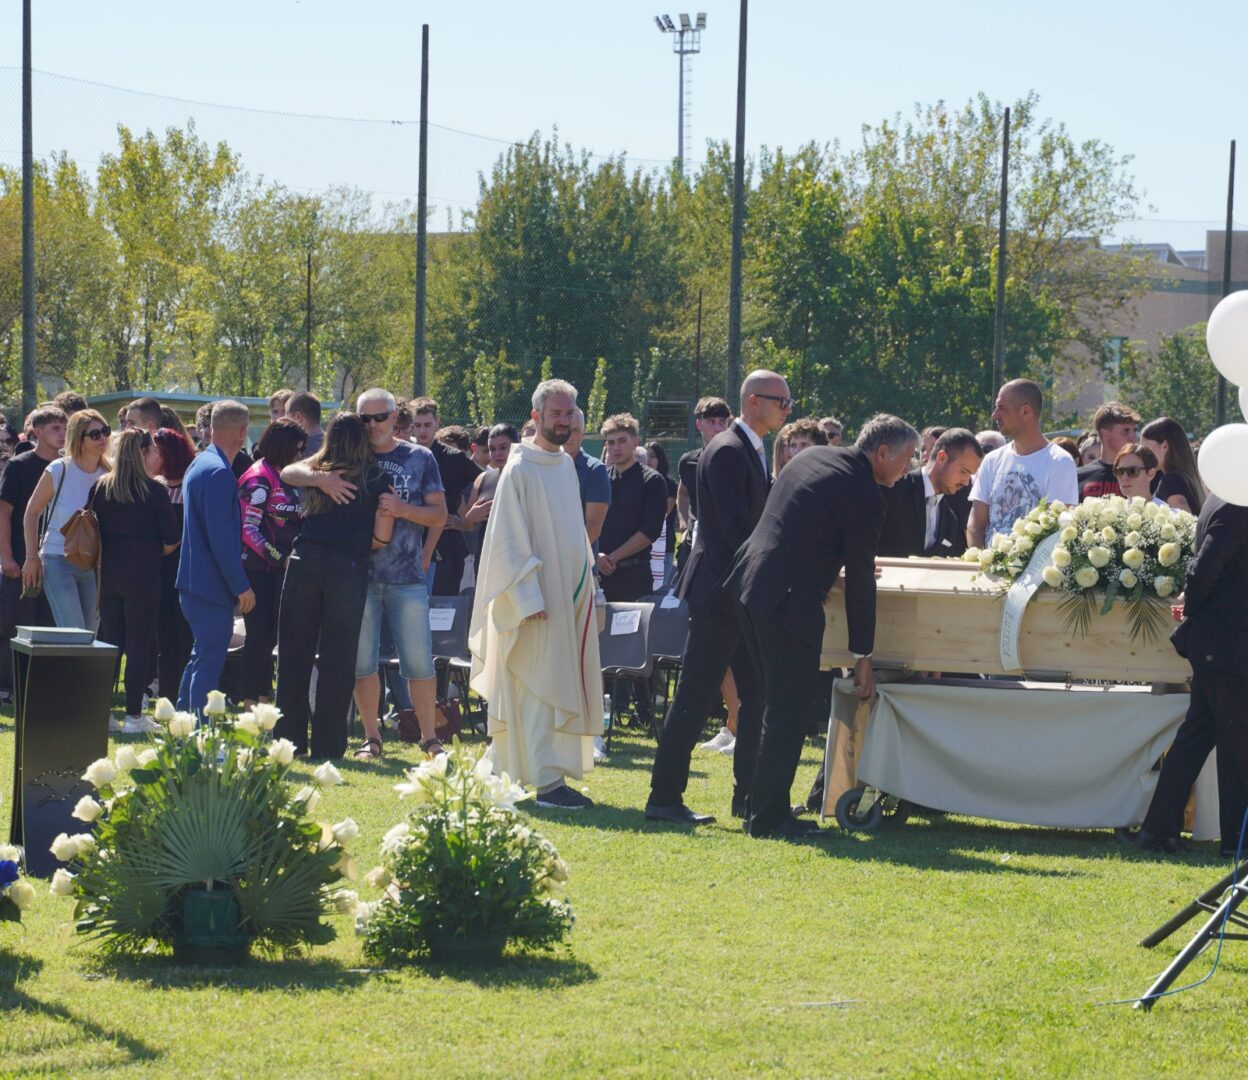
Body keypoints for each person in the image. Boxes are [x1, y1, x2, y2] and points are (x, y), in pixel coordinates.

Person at [722, 413, 917, 839]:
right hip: (787, 599)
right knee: (787, 710)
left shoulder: (814, 459)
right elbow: (862, 580)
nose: (908, 470)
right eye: (906, 459)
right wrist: (862, 656)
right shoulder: (864, 492)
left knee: (770, 705)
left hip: (750, 584)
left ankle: (761, 805)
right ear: (882, 453)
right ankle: (770, 819)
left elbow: (804, 530)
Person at [645, 370, 791, 825]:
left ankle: (749, 797)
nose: (788, 409)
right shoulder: (728, 449)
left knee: (755, 696)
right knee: (694, 696)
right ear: (753, 401)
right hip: (722, 594)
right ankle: (665, 797)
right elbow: (735, 532)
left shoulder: (747, 446)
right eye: (781, 401)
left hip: (735, 593)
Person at [291, 388, 447, 760]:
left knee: (418, 661)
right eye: (365, 418)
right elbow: (291, 469)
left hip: (406, 576)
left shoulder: (420, 456)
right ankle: (372, 738)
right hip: (356, 578)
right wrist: (320, 479)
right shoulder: (347, 456)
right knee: (362, 663)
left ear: (396, 417)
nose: (373, 424)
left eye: (380, 417)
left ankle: (430, 739)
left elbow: (439, 515)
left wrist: (404, 515)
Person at [469, 379, 604, 808]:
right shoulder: (520, 467)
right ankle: (545, 785)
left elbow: (572, 535)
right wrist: (527, 599)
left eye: (570, 414)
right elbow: (509, 539)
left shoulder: (564, 465)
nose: (564, 421)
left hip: (567, 600)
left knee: (555, 684)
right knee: (535, 685)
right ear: (536, 417)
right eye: (556, 414)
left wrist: (586, 587)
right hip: (535, 604)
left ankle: (522, 773)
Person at [1132, 492, 1248, 856]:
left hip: (1219, 640)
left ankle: (1158, 829)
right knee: (1236, 746)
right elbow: (1204, 565)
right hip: (1227, 641)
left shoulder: (1225, 497)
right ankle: (1236, 844)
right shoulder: (1237, 503)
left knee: (1198, 735)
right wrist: (1189, 604)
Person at [275, 412, 394, 759]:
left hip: (305, 562)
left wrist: (320, 480)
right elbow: (381, 538)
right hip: (349, 567)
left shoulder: (317, 468)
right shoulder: (376, 476)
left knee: (294, 655)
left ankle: (289, 742)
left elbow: (286, 471)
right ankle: (328, 747)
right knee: (337, 660)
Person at [91, 429, 180, 732]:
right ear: (142, 452)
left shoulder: (102, 487)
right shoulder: (154, 491)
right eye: (153, 449)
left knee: (110, 644)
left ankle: (102, 713)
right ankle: (134, 716)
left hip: (109, 575)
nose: (157, 454)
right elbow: (171, 539)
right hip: (143, 576)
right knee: (140, 645)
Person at [176, 400, 256, 717]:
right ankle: (196, 733)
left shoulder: (199, 463)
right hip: (210, 586)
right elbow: (222, 540)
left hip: (194, 582)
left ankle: (180, 728)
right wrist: (241, 586)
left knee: (201, 656)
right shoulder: (220, 472)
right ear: (242, 431)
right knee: (209, 661)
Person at [22, 409, 112, 632]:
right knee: (75, 632)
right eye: (94, 434)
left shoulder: (109, 473)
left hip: (94, 564)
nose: (102, 438)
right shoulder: (59, 469)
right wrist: (31, 557)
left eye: (105, 431)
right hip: (57, 560)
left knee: (91, 633)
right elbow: (32, 512)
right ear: (78, 439)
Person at [237, 419, 305, 707]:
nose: (301, 455)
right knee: (258, 639)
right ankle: (253, 703)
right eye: (297, 449)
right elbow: (248, 529)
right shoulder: (258, 478)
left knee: (270, 639)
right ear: (283, 447)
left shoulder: (287, 474)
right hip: (258, 571)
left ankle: (265, 699)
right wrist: (279, 558)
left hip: (281, 570)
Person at [967, 380, 1078, 547]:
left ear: (1026, 411)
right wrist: (980, 565)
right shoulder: (991, 460)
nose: (995, 415)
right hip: (987, 570)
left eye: (1001, 408)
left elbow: (1055, 532)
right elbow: (975, 525)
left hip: (1033, 572)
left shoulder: (1059, 462)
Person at [0, 405, 64, 697]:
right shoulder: (19, 465)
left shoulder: (68, 466)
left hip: (58, 562)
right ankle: (9, 687)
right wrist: (7, 557)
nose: (62, 434)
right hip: (20, 560)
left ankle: (40, 689)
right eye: (55, 428)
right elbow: (4, 513)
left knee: (48, 626)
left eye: (65, 428)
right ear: (37, 431)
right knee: (15, 626)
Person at [411, 397, 482, 595]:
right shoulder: (403, 455)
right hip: (410, 544)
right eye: (417, 425)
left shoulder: (453, 457)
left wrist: (467, 519)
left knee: (441, 617)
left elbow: (486, 480)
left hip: (447, 549)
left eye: (427, 424)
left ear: (437, 423)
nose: (423, 431)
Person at [878, 428, 983, 558]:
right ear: (942, 457)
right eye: (963, 472)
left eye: (970, 475)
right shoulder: (892, 489)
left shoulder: (951, 521)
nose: (966, 482)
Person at [597, 414, 668, 603]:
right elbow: (587, 523)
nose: (616, 448)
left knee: (631, 633)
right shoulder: (600, 479)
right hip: (599, 576)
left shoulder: (652, 480)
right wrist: (596, 556)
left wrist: (613, 558)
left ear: (635, 442)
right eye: (611, 443)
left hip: (634, 577)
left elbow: (650, 530)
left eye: (621, 441)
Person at [153, 427, 197, 702]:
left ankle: (186, 694)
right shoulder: (154, 486)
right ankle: (166, 696)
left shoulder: (191, 483)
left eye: (154, 450)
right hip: (158, 572)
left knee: (186, 636)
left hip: (186, 571)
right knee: (164, 637)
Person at [676, 397, 732, 563]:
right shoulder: (687, 462)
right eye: (711, 422)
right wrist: (684, 526)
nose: (717, 428)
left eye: (722, 422)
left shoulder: (739, 460)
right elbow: (683, 493)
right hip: (693, 544)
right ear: (699, 424)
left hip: (727, 547)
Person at [461, 423, 521, 533]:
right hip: (488, 548)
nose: (497, 453)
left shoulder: (530, 477)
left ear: (517, 446)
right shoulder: (482, 479)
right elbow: (468, 525)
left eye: (503, 448)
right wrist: (472, 516)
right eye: (492, 449)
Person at [1140, 417, 1205, 514]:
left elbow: (1184, 523)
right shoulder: (1187, 478)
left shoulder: (1170, 481)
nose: (1142, 456)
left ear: (1165, 446)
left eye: (1145, 450)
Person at [1076, 402, 1141, 500]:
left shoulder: (1143, 474)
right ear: (1105, 433)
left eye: (1134, 431)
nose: (1133, 437)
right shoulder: (1078, 476)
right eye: (1126, 431)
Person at [566, 409, 611, 549]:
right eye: (565, 429)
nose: (569, 435)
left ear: (583, 433)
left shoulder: (595, 470)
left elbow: (593, 528)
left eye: (575, 430)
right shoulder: (546, 466)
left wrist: (566, 558)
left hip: (578, 563)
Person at [645, 441, 678, 590]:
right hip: (643, 548)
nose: (649, 460)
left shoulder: (670, 484)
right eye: (646, 456)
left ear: (660, 459)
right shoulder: (640, 481)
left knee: (659, 590)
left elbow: (663, 514)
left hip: (664, 547)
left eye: (652, 456)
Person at [284, 391, 325, 460]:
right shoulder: (335, 445)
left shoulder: (294, 449)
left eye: (286, 414)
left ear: (298, 417)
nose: (283, 419)